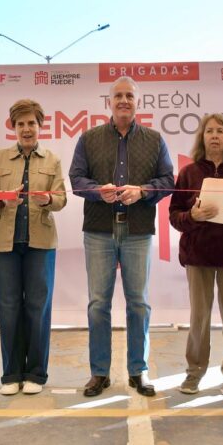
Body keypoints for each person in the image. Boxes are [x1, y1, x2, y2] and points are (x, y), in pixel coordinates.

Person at [69, 76, 174, 398]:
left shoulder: (155, 140)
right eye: (119, 96)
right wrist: (98, 192)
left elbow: (168, 180)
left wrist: (143, 191)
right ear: (109, 102)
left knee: (138, 304)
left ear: (137, 102)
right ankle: (99, 373)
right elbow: (76, 179)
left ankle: (137, 371)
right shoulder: (89, 138)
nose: (124, 100)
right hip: (99, 231)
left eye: (129, 95)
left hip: (138, 231)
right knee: (98, 304)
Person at [169, 114, 223, 395]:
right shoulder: (189, 172)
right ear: (203, 137)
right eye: (209, 131)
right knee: (199, 316)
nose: (215, 135)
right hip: (198, 254)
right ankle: (194, 372)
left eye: (220, 131)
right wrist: (193, 215)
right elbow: (174, 216)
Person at [0, 99, 67, 395]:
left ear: (40, 126)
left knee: (37, 307)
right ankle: (11, 374)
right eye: (21, 124)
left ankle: (36, 374)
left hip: (40, 242)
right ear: (13, 127)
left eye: (31, 123)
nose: (26, 129)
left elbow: (62, 198)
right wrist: (3, 197)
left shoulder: (52, 160)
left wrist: (48, 200)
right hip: (3, 243)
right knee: (8, 307)